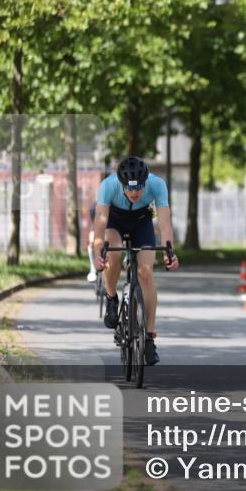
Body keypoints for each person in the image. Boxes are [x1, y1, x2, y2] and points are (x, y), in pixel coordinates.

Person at [92, 157, 179, 366]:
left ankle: (149, 337)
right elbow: (99, 226)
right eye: (130, 189)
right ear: (121, 183)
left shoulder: (157, 184)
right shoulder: (108, 186)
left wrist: (169, 252)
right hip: (115, 221)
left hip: (142, 222)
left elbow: (165, 224)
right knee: (114, 252)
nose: (135, 193)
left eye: (140, 188)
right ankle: (112, 299)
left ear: (146, 181)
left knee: (146, 273)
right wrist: (98, 254)